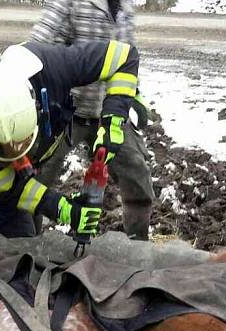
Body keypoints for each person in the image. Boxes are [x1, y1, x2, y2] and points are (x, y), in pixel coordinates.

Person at [0, 40, 140, 239]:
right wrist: (62, 209)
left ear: (37, 109)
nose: (15, 159)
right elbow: (10, 189)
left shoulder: (54, 68)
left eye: (21, 145)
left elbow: (124, 56)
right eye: (1, 151)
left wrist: (113, 121)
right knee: (16, 241)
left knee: (32, 214)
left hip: (37, 135)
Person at [30, 0, 155, 240]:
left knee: (136, 175)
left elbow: (127, 56)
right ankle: (27, 242)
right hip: (67, 112)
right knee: (38, 177)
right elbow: (38, 46)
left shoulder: (124, 7)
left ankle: (138, 243)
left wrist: (134, 94)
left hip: (109, 111)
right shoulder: (69, 3)